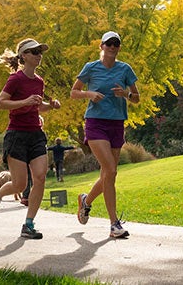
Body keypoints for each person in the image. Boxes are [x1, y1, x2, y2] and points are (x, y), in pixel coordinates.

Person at [0, 38, 62, 240]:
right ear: (24, 56)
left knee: (40, 177)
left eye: (40, 52)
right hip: (17, 134)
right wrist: (25, 101)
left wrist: (50, 105)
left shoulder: (39, 81)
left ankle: (29, 224)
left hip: (36, 133)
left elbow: (37, 106)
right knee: (19, 184)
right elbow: (1, 103)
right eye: (34, 52)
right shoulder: (15, 79)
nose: (39, 55)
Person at [71, 30, 140, 239]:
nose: (112, 47)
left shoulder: (125, 69)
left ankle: (86, 201)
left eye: (116, 43)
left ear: (118, 47)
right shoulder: (91, 68)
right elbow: (74, 92)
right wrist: (89, 94)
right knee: (110, 169)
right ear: (101, 46)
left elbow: (136, 98)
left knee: (109, 174)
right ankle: (114, 225)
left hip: (116, 123)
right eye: (108, 43)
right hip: (95, 123)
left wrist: (126, 94)